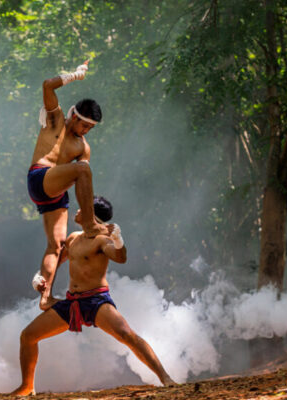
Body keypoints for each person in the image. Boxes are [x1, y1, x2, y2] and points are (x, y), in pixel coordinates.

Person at [11, 197, 177, 396]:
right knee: (28, 336)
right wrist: (41, 278)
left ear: (91, 215)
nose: (78, 210)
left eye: (83, 207)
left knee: (127, 335)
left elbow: (120, 257)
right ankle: (27, 386)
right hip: (71, 302)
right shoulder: (73, 238)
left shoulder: (102, 240)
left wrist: (118, 240)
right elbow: (55, 262)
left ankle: (165, 377)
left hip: (96, 301)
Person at [27, 61, 108, 311]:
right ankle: (91, 223)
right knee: (83, 169)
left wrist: (87, 209)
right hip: (41, 178)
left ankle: (45, 294)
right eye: (84, 125)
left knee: (58, 245)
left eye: (91, 128)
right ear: (74, 116)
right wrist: (76, 75)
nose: (86, 131)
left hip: (57, 193)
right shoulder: (55, 121)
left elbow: (81, 184)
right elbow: (48, 85)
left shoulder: (83, 147)